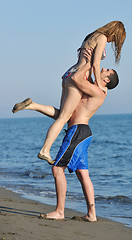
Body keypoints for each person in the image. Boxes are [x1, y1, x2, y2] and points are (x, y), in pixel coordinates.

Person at [12, 52, 119, 221]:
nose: (102, 68)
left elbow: (76, 79)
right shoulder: (96, 87)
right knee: (83, 174)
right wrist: (94, 59)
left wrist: (90, 62)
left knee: (57, 169)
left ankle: (59, 212)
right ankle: (92, 215)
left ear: (106, 80)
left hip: (77, 132)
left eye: (106, 71)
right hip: (81, 133)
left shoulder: (99, 91)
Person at [14, 21, 125, 163]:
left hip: (70, 72)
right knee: (64, 117)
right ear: (115, 32)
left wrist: (91, 79)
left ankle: (32, 105)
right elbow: (95, 64)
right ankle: (45, 150)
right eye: (116, 39)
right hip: (78, 77)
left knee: (62, 114)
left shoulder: (91, 36)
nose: (113, 41)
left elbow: (87, 62)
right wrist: (97, 84)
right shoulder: (102, 38)